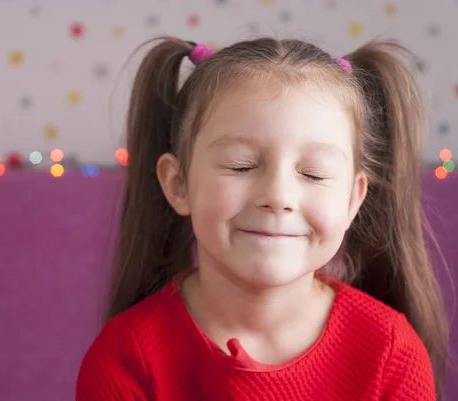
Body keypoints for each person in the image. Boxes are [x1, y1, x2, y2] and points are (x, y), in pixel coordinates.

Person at [76, 36, 450, 400]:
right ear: (178, 185)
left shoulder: (390, 351)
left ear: (353, 199)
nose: (278, 196)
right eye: (242, 166)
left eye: (314, 173)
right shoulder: (125, 357)